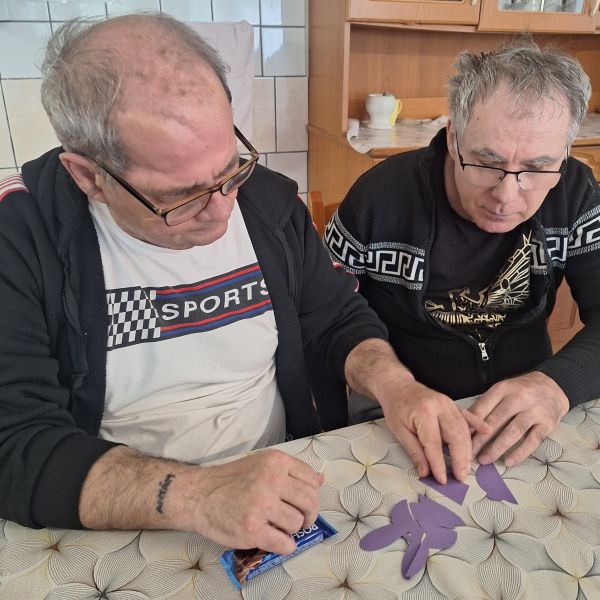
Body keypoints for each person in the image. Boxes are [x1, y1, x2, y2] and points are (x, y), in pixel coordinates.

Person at [0, 13, 490, 554]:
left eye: (230, 169)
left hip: (284, 480)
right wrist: (198, 495)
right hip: (127, 512)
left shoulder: (267, 202)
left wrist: (397, 386)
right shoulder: (19, 237)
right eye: (182, 197)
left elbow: (335, 319)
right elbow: (16, 443)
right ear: (88, 176)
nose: (222, 210)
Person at [326, 40, 600, 480]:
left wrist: (557, 383)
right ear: (453, 138)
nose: (506, 196)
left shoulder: (575, 192)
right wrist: (393, 386)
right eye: (487, 162)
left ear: (564, 154)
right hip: (397, 406)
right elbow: (326, 318)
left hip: (526, 401)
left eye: (537, 168)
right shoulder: (379, 199)